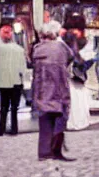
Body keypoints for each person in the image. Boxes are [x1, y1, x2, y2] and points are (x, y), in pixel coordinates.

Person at [31, 20, 75, 161]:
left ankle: (43, 152)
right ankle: (56, 150)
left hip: (41, 88)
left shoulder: (37, 49)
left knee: (45, 120)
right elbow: (71, 56)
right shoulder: (60, 47)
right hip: (58, 85)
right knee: (60, 117)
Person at [0, 21, 28, 136]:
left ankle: (1, 129)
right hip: (16, 80)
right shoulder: (20, 49)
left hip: (3, 81)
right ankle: (14, 129)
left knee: (3, 106)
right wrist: (23, 81)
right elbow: (23, 68)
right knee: (14, 108)